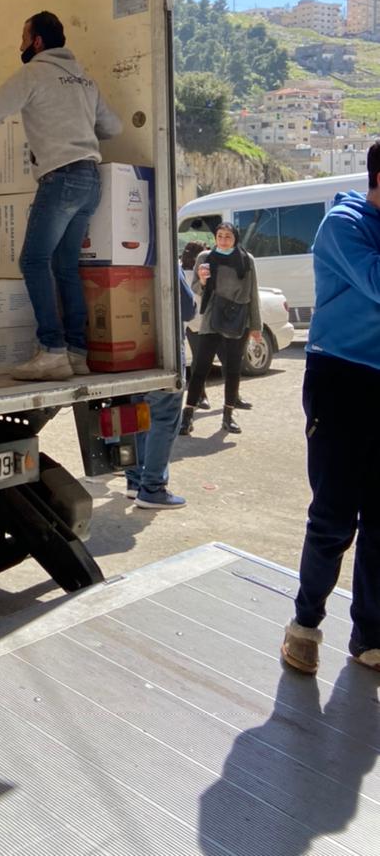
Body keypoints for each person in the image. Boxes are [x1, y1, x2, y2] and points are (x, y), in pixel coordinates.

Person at [0, 10, 121, 381]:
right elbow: (114, 126)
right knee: (65, 267)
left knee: (33, 261)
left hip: (61, 179)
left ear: (37, 41)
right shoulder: (84, 79)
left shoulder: (34, 73)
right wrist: (77, 128)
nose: (20, 45)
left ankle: (52, 351)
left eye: (22, 37)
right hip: (90, 180)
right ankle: (77, 353)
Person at [281, 142, 380, 676]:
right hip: (341, 379)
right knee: (334, 517)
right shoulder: (343, 224)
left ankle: (370, 637)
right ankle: (305, 625)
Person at [125, 264, 197, 509]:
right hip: (164, 352)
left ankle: (134, 481)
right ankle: (152, 488)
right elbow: (187, 308)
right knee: (164, 418)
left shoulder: (124, 259)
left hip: (130, 350)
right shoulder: (167, 258)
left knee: (137, 416)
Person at [180, 223, 261, 436]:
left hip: (239, 318)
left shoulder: (246, 259)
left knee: (233, 369)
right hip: (212, 316)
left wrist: (256, 326)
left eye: (228, 236)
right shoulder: (205, 257)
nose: (223, 240)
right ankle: (187, 416)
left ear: (235, 238)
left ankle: (228, 416)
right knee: (200, 367)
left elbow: (253, 293)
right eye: (220, 236)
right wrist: (203, 281)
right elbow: (195, 288)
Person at [180, 240, 210, 409]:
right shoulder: (188, 274)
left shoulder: (190, 273)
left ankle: (202, 396)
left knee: (200, 362)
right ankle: (201, 395)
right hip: (195, 324)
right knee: (200, 362)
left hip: (199, 323)